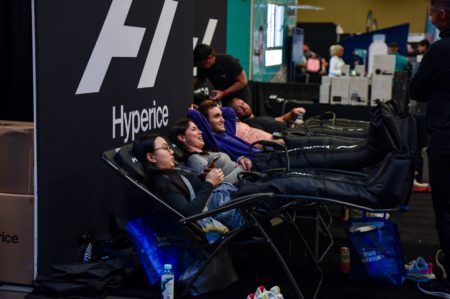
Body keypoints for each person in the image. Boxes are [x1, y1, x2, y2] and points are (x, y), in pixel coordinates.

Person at [409, 0, 450, 296]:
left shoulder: (440, 50)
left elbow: (417, 90)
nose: (429, 15)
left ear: (443, 14)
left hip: (446, 139)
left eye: (431, 11)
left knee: (446, 209)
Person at [132, 132, 243, 229]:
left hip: (225, 201)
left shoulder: (173, 170)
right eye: (165, 148)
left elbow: (190, 191)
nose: (172, 152)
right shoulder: (161, 183)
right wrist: (209, 183)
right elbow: (189, 213)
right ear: (151, 157)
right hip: (223, 212)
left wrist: (204, 178)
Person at [169, 118, 252, 185]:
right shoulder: (194, 159)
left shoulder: (206, 151)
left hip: (247, 180)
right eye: (194, 129)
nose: (200, 132)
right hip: (242, 187)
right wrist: (242, 169)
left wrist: (241, 159)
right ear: (182, 138)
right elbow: (217, 186)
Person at [228, 97, 306, 134]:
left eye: (243, 103)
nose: (244, 107)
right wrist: (292, 130)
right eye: (239, 108)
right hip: (293, 133)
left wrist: (292, 112)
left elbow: (280, 119)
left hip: (296, 129)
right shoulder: (249, 122)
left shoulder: (259, 118)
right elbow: (267, 137)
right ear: (236, 115)